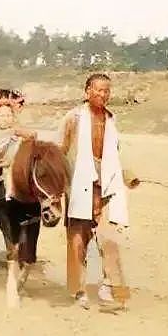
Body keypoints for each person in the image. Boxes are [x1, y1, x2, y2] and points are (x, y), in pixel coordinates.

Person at [58, 73, 140, 309]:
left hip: (106, 186)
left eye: (107, 91)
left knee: (109, 238)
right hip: (78, 185)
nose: (103, 95)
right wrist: (62, 183)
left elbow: (115, 153)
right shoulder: (73, 118)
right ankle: (79, 289)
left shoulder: (111, 119)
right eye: (98, 90)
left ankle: (107, 287)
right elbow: (60, 151)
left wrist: (128, 175)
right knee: (77, 240)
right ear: (87, 92)